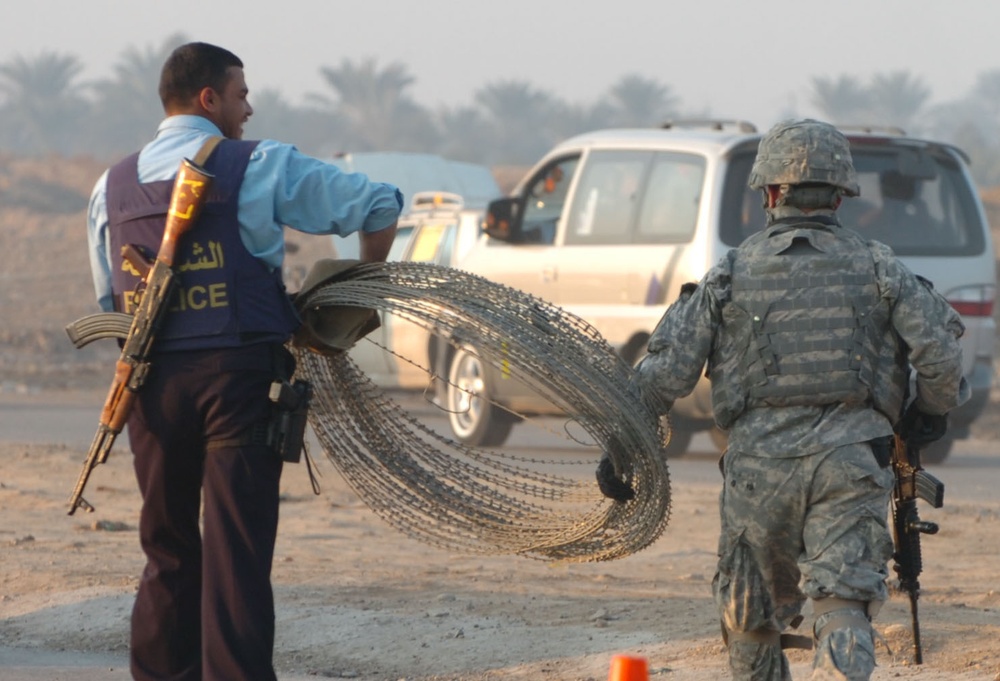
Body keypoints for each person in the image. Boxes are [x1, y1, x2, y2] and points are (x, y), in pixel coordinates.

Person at [596, 119, 968, 680]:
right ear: (842, 194)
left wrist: (622, 445)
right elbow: (941, 360)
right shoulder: (880, 267)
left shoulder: (730, 273)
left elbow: (664, 375)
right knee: (843, 603)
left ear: (770, 193)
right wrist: (928, 414)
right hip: (851, 462)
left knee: (751, 616)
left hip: (756, 469)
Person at [86, 42, 401, 681]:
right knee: (236, 554)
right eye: (241, 94)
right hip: (239, 384)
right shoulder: (259, 165)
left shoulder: (110, 186)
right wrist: (359, 290)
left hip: (150, 388)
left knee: (166, 552)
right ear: (210, 99)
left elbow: (110, 300)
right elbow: (380, 203)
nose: (249, 108)